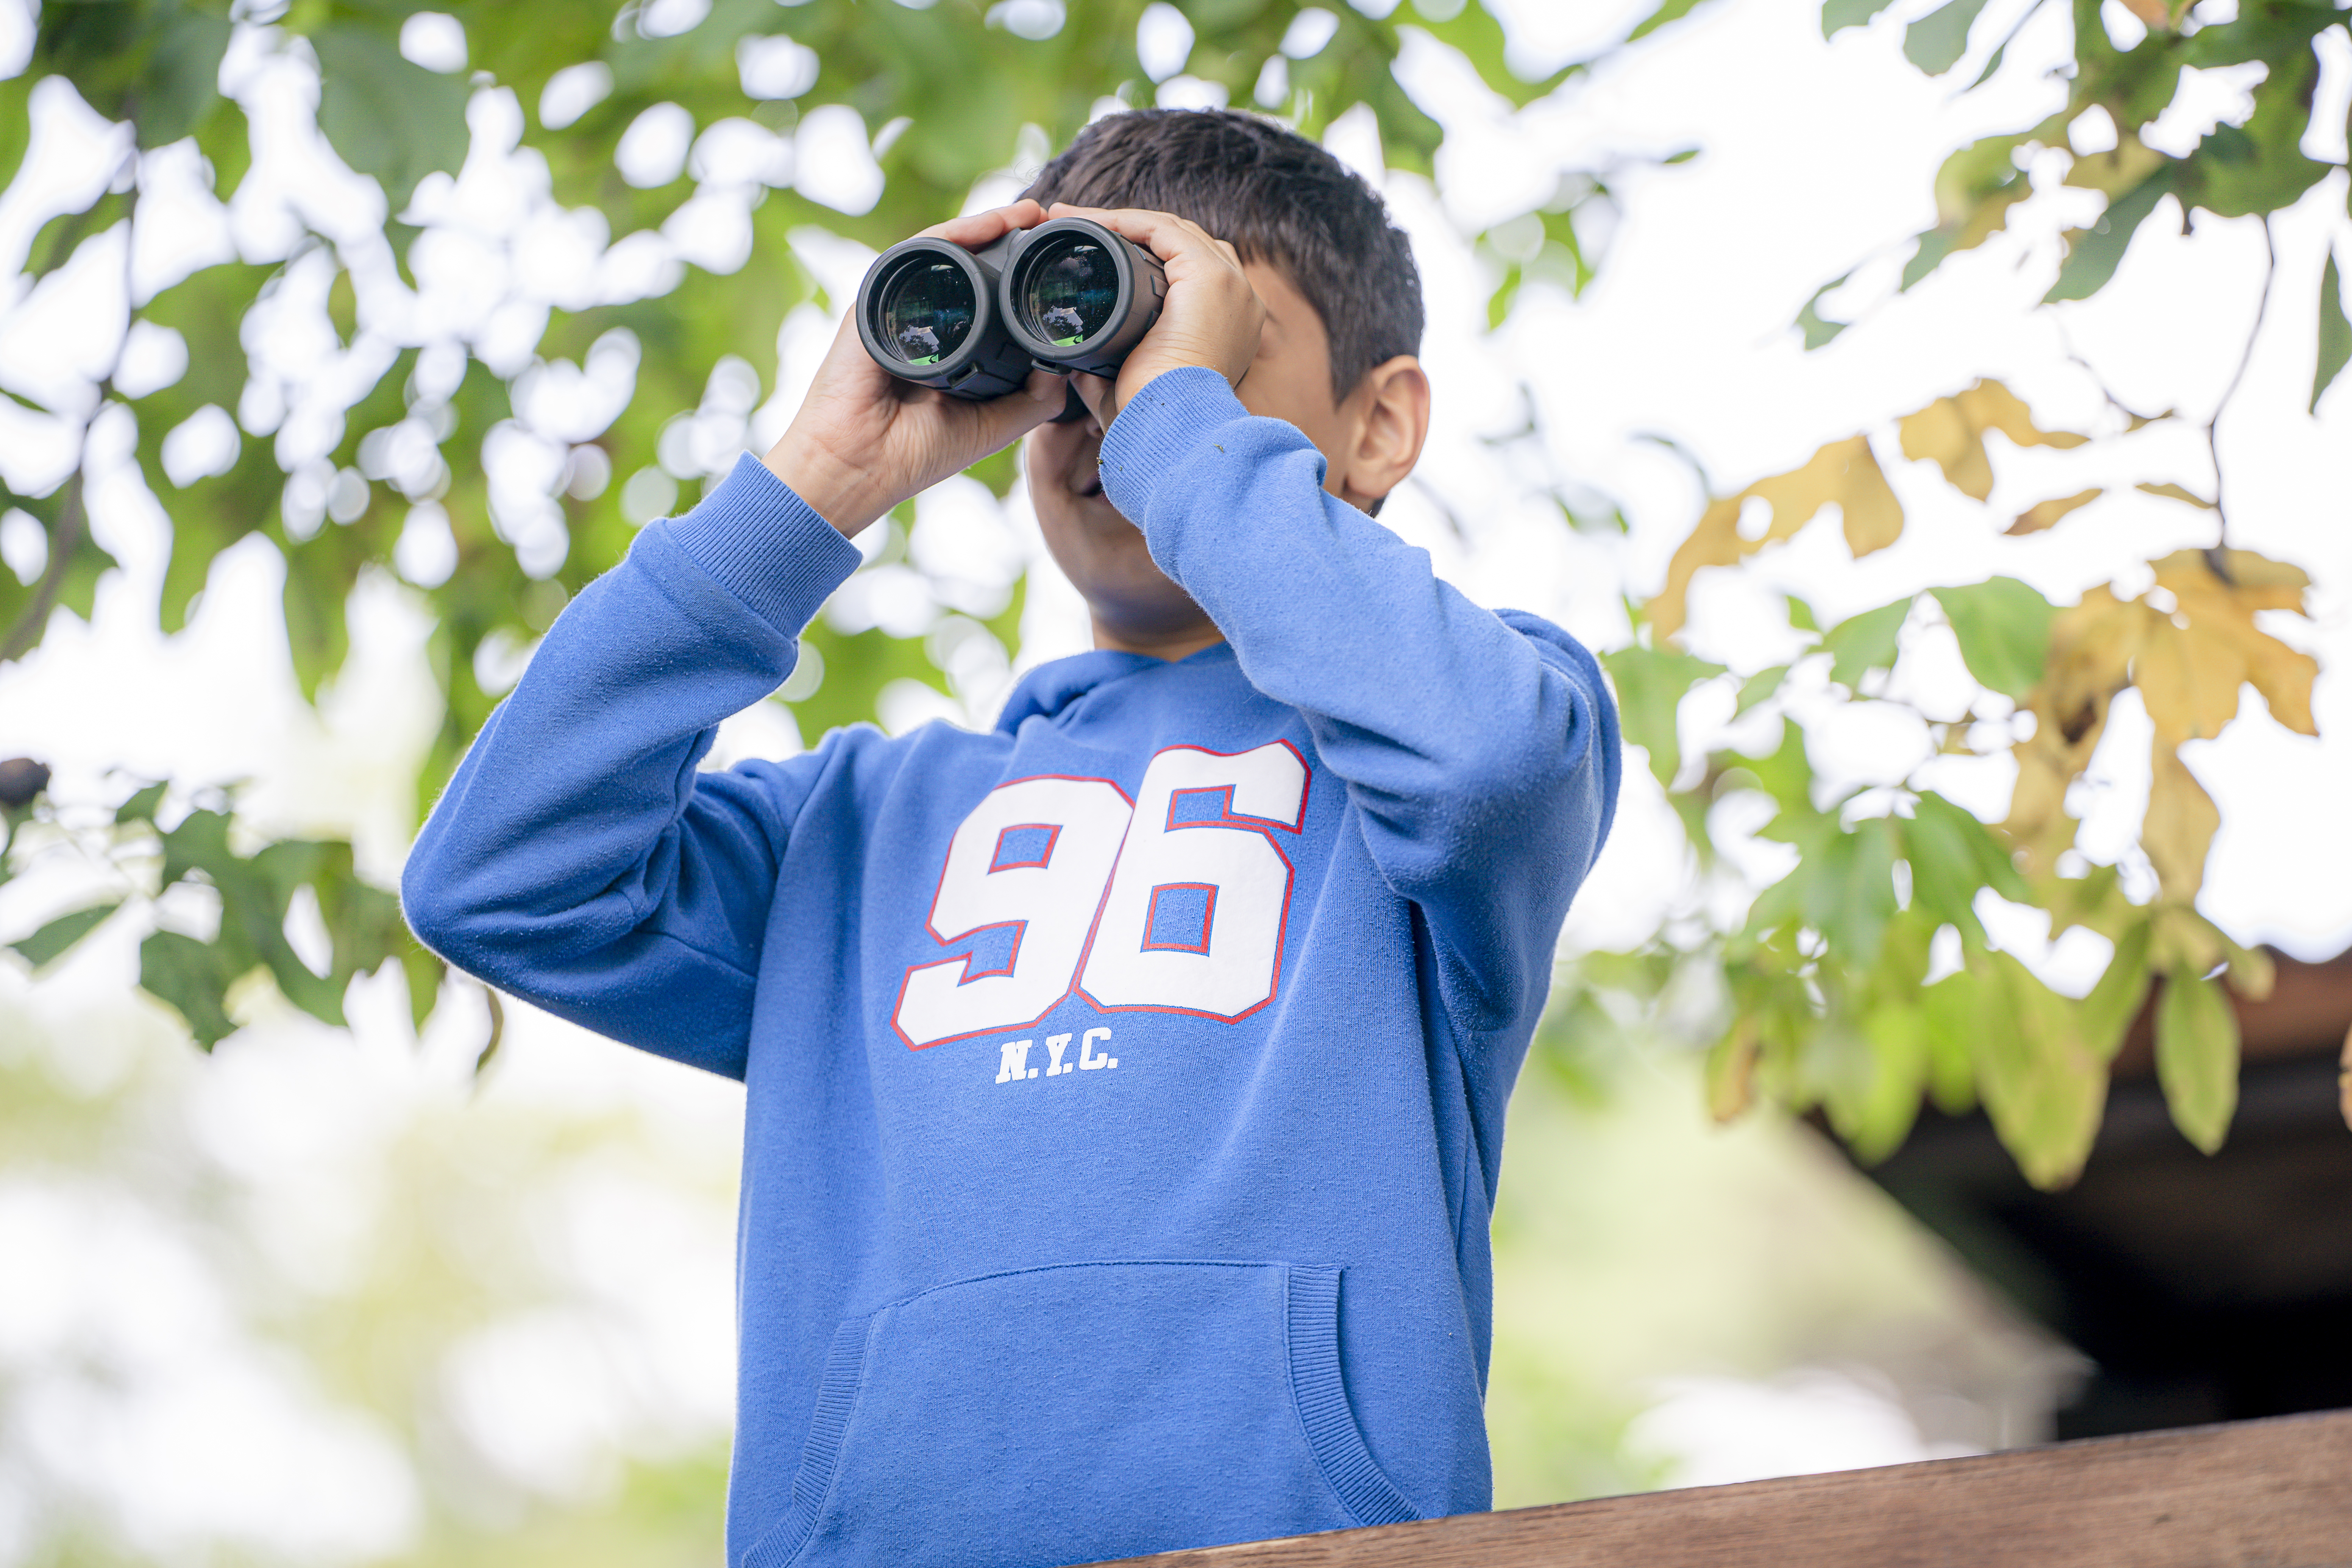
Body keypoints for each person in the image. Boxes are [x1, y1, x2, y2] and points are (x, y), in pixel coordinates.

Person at [402, 108, 1621, 1568]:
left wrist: (1185, 433)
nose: (1109, 408)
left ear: (1379, 422)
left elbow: (1483, 762)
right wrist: (816, 484)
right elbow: (501, 875)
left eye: (1208, 343)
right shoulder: (853, 827)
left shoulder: (1445, 745)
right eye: (1078, 355)